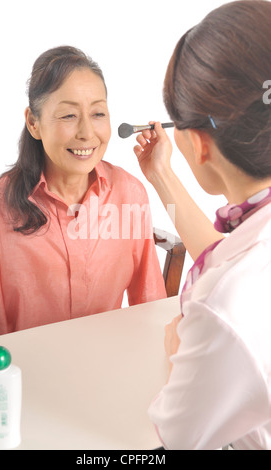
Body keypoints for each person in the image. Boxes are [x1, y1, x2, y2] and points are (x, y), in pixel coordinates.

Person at [134, 0, 271, 450]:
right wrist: (161, 175)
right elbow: (232, 254)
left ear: (197, 142)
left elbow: (178, 436)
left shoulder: (223, 307)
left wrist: (180, 350)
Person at [0, 46, 166, 340]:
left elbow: (150, 307)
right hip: (28, 376)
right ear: (33, 122)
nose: (87, 132)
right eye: (68, 116)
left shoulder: (129, 194)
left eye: (98, 113)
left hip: (108, 368)